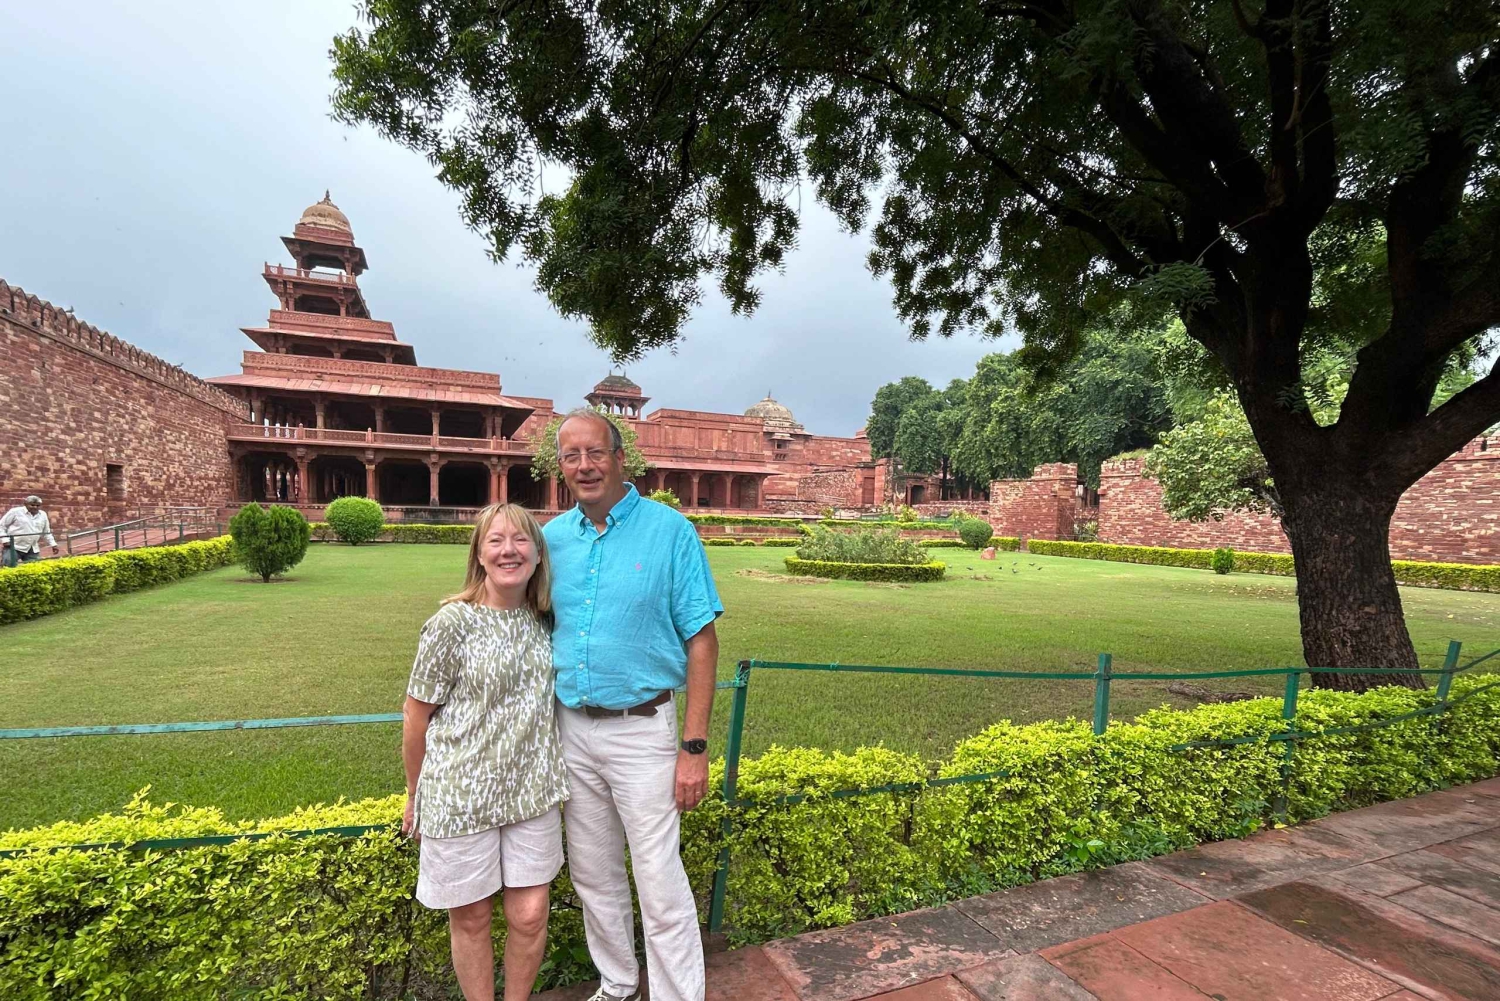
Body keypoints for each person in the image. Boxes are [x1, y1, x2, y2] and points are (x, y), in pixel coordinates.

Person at [544, 408, 723, 1001]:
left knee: (658, 878)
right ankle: (618, 983)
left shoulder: (668, 532)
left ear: (622, 459)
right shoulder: (552, 541)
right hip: (573, 728)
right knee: (594, 874)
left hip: (642, 729)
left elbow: (702, 640)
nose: (585, 466)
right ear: (561, 466)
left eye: (595, 453)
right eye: (572, 455)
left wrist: (693, 749)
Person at [402, 503, 570, 1001]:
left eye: (521, 541)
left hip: (531, 788)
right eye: (495, 540)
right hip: (461, 791)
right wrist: (415, 792)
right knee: (472, 917)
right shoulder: (453, 623)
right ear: (479, 552)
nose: (508, 551)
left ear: (538, 555)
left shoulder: (545, 621)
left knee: (530, 913)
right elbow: (415, 714)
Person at [1, 495, 59, 568]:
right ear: (25, 504)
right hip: (13, 546)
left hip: (32, 547)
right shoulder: (15, 512)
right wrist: (5, 540)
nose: (35, 507)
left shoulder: (43, 515)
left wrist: (53, 544)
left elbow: (46, 532)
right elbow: (1, 526)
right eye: (32, 505)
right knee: (8, 568)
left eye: (38, 505)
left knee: (35, 569)